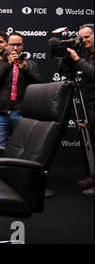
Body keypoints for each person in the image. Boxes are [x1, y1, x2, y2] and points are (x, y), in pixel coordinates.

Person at [0, 32, 42, 176]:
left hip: (21, 113)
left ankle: (19, 181)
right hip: (1, 113)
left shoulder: (30, 64)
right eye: (12, 45)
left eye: (18, 45)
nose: (15, 48)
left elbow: (39, 84)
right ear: (7, 45)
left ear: (22, 46)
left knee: (23, 150)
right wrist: (9, 64)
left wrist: (25, 70)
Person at [63, 23, 94, 197]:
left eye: (87, 36)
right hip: (86, 103)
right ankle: (92, 176)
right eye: (81, 37)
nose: (83, 40)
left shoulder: (83, 57)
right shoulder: (86, 54)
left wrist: (77, 60)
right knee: (90, 143)